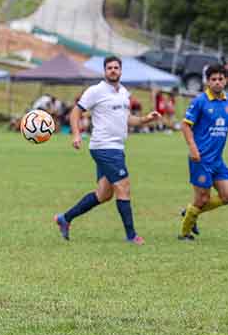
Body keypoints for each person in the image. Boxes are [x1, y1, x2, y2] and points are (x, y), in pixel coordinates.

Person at [54, 56, 162, 245]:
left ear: (121, 71)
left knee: (104, 194)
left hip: (117, 148)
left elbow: (128, 119)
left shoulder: (124, 93)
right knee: (124, 187)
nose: (113, 70)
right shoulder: (95, 91)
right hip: (104, 147)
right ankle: (131, 236)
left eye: (116, 67)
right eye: (109, 68)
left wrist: (146, 119)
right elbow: (76, 112)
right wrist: (76, 135)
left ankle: (65, 218)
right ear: (104, 71)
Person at [178, 64, 228, 240]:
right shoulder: (199, 101)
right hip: (200, 159)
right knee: (202, 199)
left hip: (217, 160)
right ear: (207, 82)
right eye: (213, 79)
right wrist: (193, 148)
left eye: (220, 79)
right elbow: (185, 125)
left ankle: (190, 211)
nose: (217, 82)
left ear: (225, 80)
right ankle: (184, 233)